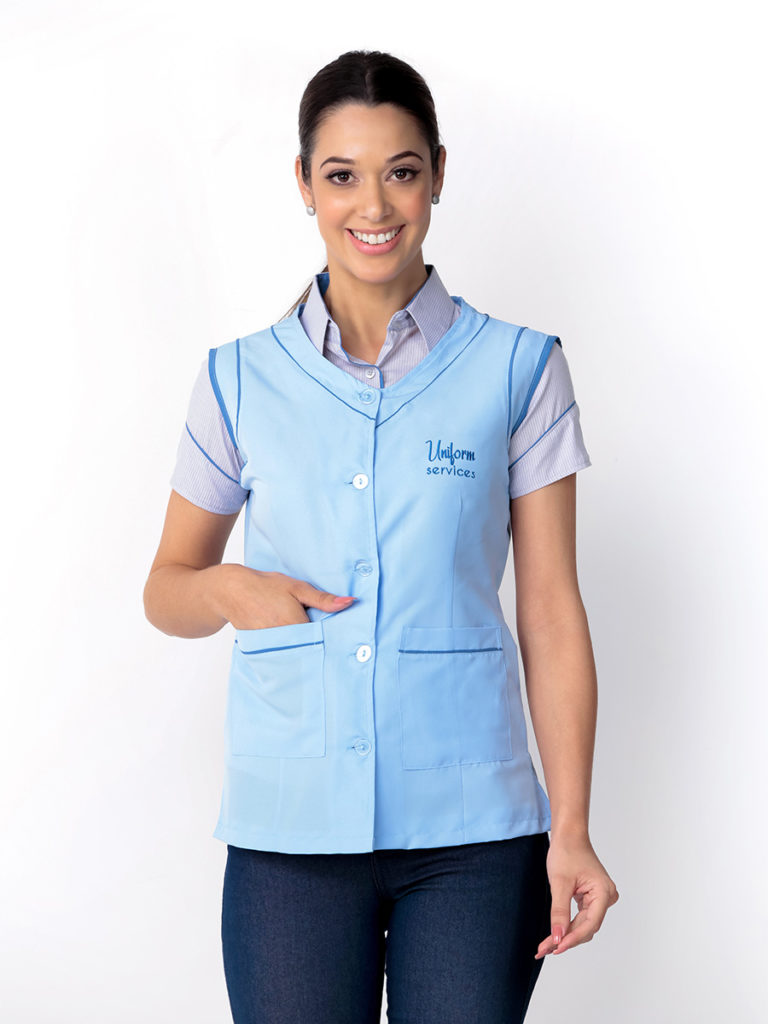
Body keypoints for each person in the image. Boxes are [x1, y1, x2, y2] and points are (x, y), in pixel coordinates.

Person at [143, 49, 618, 1024]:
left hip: (475, 834)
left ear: (437, 173)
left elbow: (550, 610)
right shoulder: (238, 380)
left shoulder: (519, 369)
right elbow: (167, 588)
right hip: (290, 833)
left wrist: (570, 828)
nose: (374, 204)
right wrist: (232, 589)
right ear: (304, 184)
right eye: (342, 175)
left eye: (401, 171)